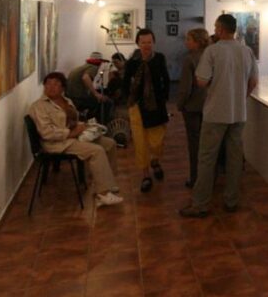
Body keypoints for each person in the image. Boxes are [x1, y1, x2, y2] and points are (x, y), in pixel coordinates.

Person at [180, 14, 259, 218]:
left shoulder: (212, 51)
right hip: (239, 113)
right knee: (234, 158)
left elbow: (201, 81)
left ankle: (200, 204)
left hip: (215, 113)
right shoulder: (246, 51)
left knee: (207, 158)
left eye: (216, 27)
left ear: (221, 29)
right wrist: (241, 97)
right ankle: (231, 200)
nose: (214, 31)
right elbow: (253, 82)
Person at [28, 72, 122, 207]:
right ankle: (103, 194)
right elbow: (47, 133)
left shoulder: (67, 101)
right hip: (58, 143)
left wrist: (82, 126)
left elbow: (74, 119)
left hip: (75, 136)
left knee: (110, 143)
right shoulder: (39, 106)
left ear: (62, 88)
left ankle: (107, 182)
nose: (51, 87)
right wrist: (71, 133)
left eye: (56, 84)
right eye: (48, 84)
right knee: (96, 151)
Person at [123, 28, 171, 193]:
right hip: (137, 106)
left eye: (149, 42)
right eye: (143, 42)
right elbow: (125, 83)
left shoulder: (159, 58)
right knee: (140, 141)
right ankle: (145, 174)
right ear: (138, 43)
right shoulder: (132, 62)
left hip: (156, 105)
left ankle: (155, 160)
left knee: (157, 140)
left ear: (153, 42)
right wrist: (128, 100)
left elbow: (166, 78)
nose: (146, 45)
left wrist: (164, 97)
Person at [175, 27, 211, 188]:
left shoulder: (190, 59)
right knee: (208, 144)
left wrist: (180, 104)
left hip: (192, 107)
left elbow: (185, 88)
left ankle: (196, 177)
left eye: (189, 39)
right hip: (209, 105)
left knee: (194, 144)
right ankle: (209, 176)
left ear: (197, 42)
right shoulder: (211, 57)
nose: (186, 42)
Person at [66, 52, 112, 120]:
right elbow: (85, 77)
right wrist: (96, 94)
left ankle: (87, 119)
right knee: (106, 102)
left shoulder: (81, 67)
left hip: (70, 96)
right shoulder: (93, 67)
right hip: (78, 98)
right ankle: (96, 122)